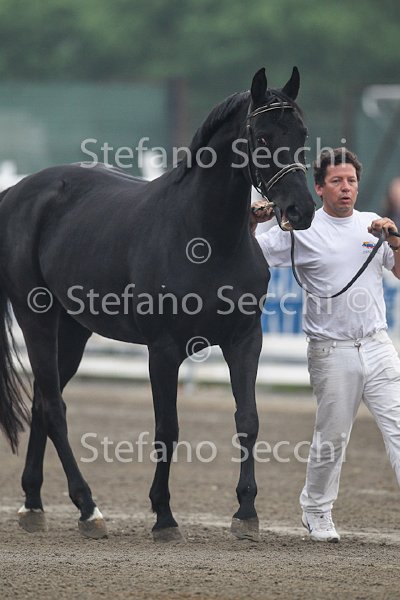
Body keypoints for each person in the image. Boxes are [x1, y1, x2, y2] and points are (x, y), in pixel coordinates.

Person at [251, 147, 400, 542]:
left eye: (351, 180)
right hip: (331, 351)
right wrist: (252, 223)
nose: (346, 187)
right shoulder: (301, 230)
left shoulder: (373, 224)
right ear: (319, 188)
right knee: (332, 439)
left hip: (378, 344)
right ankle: (316, 510)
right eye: (336, 181)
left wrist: (395, 242)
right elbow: (250, 254)